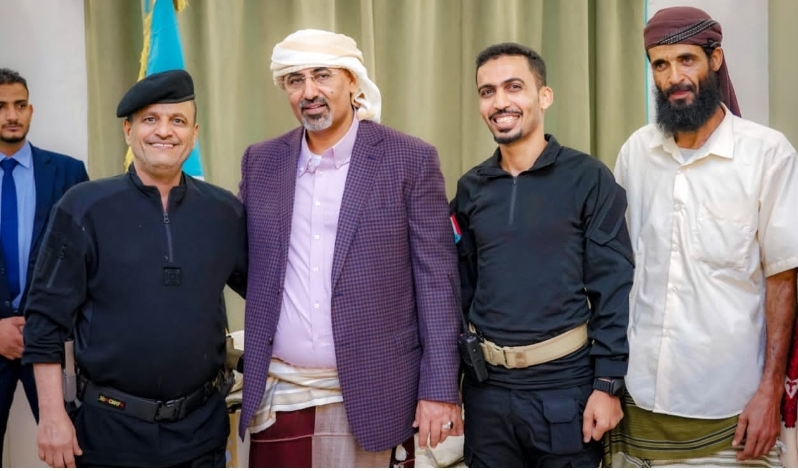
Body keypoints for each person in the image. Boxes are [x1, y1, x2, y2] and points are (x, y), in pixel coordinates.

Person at [238, 29, 462, 468]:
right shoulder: (261, 162)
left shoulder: (408, 159)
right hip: (281, 396)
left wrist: (439, 388)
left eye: (322, 75)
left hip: (378, 397)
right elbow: (245, 263)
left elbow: (437, 282)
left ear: (353, 81)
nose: (309, 92)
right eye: (295, 80)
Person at [21, 69, 248, 467]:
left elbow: (269, 293)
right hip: (108, 431)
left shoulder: (224, 211)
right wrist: (52, 416)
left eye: (177, 121)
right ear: (128, 131)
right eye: (150, 119)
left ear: (194, 134)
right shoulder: (82, 207)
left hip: (202, 432)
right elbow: (44, 320)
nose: (164, 131)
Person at [610, 6, 798, 467]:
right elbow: (616, 271)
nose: (674, 76)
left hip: (732, 410)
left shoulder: (767, 154)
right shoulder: (636, 153)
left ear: (715, 59)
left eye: (686, 60)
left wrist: (770, 391)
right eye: (660, 64)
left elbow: (782, 279)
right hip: (637, 401)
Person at [450, 42, 634, 467]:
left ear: (544, 96)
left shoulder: (588, 178)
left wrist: (607, 385)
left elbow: (613, 286)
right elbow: (459, 290)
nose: (500, 102)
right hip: (487, 392)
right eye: (487, 91)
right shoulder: (470, 189)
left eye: (514, 87)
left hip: (565, 388)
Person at [0, 68, 88, 465]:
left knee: (75, 454)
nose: (11, 115)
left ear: (31, 110)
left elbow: (86, 260)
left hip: (54, 343)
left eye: (20, 105)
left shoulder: (69, 173)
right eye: (1, 106)